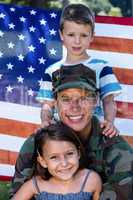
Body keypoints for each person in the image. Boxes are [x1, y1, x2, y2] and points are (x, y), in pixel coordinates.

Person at [9, 64, 133, 200]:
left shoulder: (115, 146)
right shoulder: (36, 143)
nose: (75, 107)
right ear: (55, 103)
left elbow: (124, 194)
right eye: (66, 99)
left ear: (96, 101)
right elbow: (17, 193)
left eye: (84, 97)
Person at [36, 3, 122, 134]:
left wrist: (109, 122)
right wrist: (45, 121)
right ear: (61, 35)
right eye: (71, 35)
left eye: (83, 35)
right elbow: (48, 104)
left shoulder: (101, 67)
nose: (77, 41)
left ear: (92, 36)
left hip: (91, 133)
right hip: (61, 136)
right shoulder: (51, 71)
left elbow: (109, 101)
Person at [11, 122, 102, 200]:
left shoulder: (91, 180)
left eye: (69, 154)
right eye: (54, 157)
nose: (64, 163)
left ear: (78, 153)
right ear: (43, 161)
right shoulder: (35, 185)